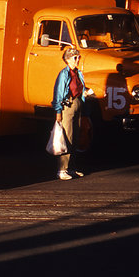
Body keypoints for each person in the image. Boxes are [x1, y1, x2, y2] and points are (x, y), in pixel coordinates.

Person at [51, 47, 87, 180]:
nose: (77, 59)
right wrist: (58, 112)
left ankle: (71, 168)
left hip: (77, 104)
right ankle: (62, 169)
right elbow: (58, 93)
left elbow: (80, 89)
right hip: (68, 106)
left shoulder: (78, 73)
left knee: (75, 137)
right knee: (66, 138)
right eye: (74, 57)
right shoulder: (64, 74)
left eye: (78, 57)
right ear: (67, 59)